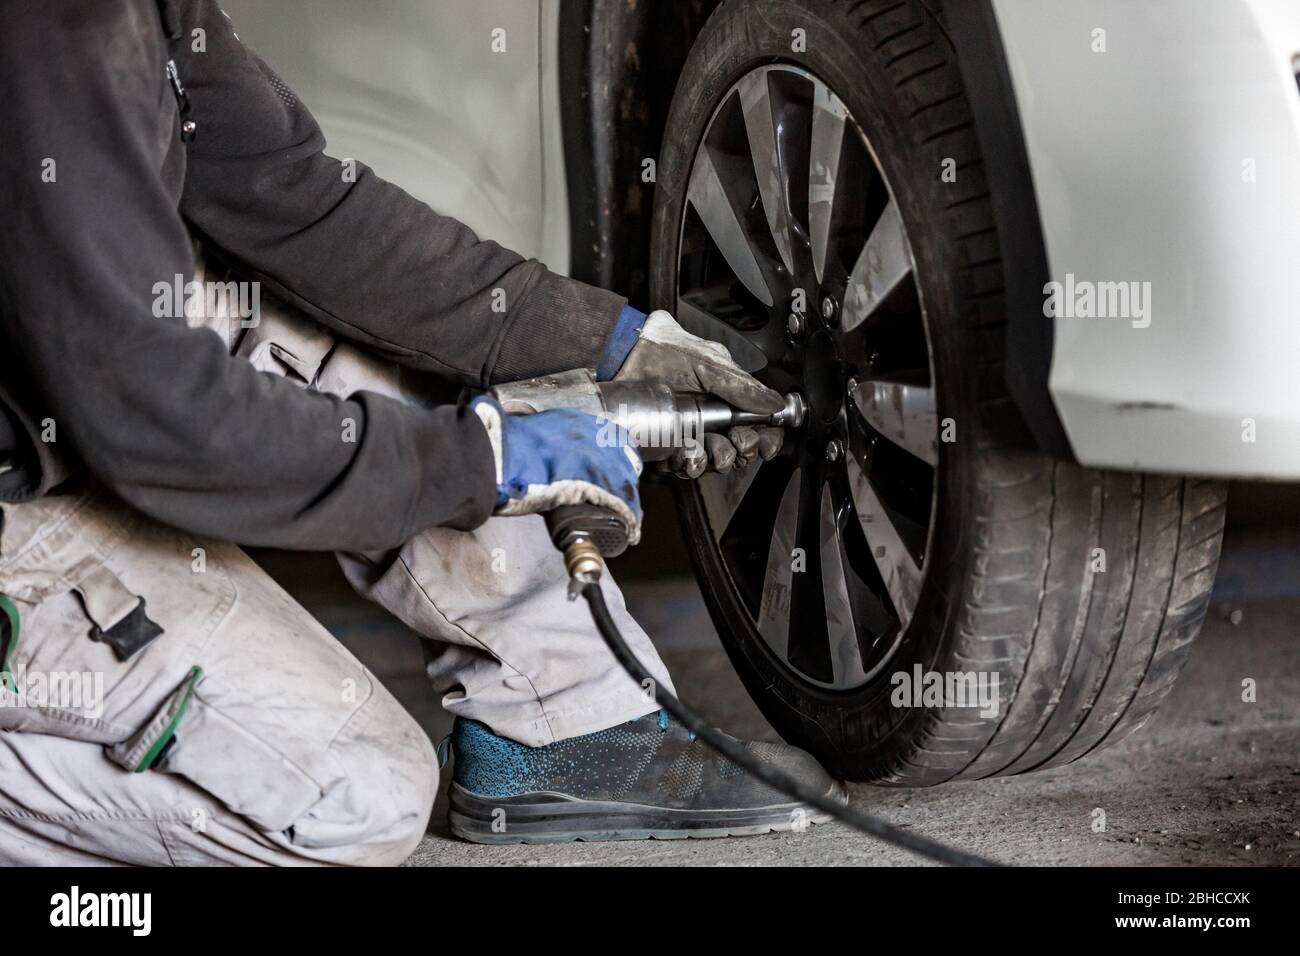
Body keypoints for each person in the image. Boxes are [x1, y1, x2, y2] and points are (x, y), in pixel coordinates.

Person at [0, 0, 840, 865]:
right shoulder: (56, 28)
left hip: (62, 411)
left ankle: (567, 732)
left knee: (339, 302)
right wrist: (483, 459)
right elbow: (159, 422)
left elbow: (300, 209)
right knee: (355, 801)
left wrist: (608, 343)